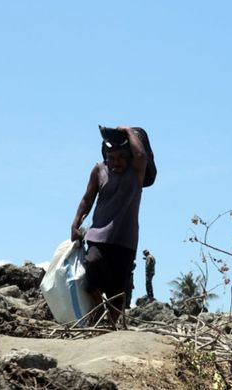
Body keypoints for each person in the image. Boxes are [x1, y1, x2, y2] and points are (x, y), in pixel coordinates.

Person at [70, 126, 147, 324]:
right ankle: (97, 313)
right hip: (98, 235)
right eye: (112, 157)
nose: (116, 162)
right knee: (93, 269)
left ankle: (111, 327)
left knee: (118, 290)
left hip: (125, 239)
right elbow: (87, 199)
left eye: (121, 157)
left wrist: (129, 131)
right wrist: (75, 223)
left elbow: (141, 155)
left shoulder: (136, 172)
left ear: (128, 156)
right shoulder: (99, 170)